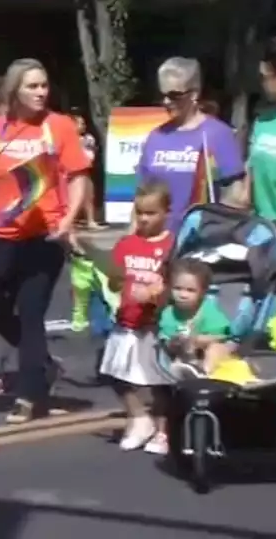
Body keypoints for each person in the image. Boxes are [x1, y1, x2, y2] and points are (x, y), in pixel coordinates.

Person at [0, 58, 90, 423]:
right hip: (2, 235)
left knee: (32, 313)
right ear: (14, 91)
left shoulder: (60, 127)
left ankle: (30, 394)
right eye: (32, 86)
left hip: (45, 236)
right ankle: (43, 365)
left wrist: (68, 221)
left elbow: (80, 176)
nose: (41, 92)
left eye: (44, 85)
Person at [98, 180, 174, 453]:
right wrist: (114, 280)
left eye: (151, 213)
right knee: (114, 374)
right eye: (140, 212)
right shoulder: (127, 243)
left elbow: (177, 285)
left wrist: (156, 292)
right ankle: (140, 417)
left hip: (155, 323)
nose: (143, 218)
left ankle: (163, 432)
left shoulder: (171, 246)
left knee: (159, 382)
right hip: (126, 320)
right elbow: (115, 280)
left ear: (167, 212)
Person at [136, 57, 243, 232]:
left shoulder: (217, 133)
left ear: (194, 94)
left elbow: (235, 194)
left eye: (174, 95)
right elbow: (141, 195)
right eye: (162, 95)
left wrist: (220, 231)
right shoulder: (156, 137)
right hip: (157, 239)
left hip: (200, 240)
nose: (166, 102)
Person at [247, 35, 276, 227]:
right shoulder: (263, 122)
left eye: (264, 76)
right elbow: (246, 191)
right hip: (263, 236)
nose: (261, 83)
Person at [160, 259, 231, 379]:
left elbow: (222, 337)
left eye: (190, 290)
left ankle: (204, 372)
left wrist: (197, 340)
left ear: (203, 292)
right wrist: (174, 342)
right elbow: (166, 340)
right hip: (183, 354)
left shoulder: (208, 311)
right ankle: (187, 370)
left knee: (217, 349)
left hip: (209, 353)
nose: (183, 295)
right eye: (178, 288)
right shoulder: (168, 313)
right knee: (173, 354)